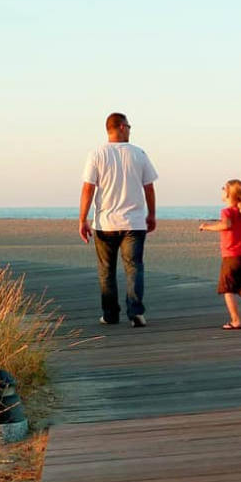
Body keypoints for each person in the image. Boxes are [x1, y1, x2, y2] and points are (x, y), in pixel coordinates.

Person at [78, 112, 159, 326]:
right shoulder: (138, 154)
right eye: (129, 126)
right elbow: (149, 188)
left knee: (106, 269)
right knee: (134, 267)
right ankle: (135, 312)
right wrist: (151, 214)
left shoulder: (97, 154)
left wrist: (82, 219)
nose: (131, 130)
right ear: (121, 127)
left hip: (105, 222)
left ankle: (111, 314)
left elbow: (88, 189)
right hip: (133, 222)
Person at [198, 179, 241, 330]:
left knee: (227, 289)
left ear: (228, 193)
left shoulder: (227, 212)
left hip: (232, 256)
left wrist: (207, 226)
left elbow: (226, 225)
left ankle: (235, 320)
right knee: (239, 286)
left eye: (223, 188)